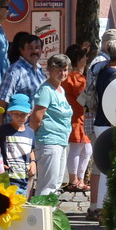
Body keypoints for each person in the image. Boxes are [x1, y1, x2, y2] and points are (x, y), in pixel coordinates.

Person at [86, 31, 116, 208]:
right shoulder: (115, 75)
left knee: (105, 169)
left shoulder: (103, 70)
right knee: (108, 170)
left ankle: (103, 207)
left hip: (101, 121)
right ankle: (105, 208)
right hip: (108, 123)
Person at [29, 53, 73, 197]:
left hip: (61, 141)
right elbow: (36, 118)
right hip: (48, 141)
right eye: (59, 69)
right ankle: (40, 216)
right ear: (50, 70)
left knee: (56, 184)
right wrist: (30, 142)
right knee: (47, 185)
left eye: (65, 69)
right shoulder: (46, 90)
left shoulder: (61, 90)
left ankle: (50, 215)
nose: (63, 73)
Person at [63, 44, 91, 193]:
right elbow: (84, 98)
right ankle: (74, 180)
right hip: (77, 117)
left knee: (86, 149)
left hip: (77, 116)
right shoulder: (76, 77)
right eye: (84, 56)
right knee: (77, 148)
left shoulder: (71, 76)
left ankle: (78, 179)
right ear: (79, 59)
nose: (87, 59)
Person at [0, 31, 45, 105]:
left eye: (37, 47)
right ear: (22, 50)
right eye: (30, 48)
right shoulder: (14, 72)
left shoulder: (39, 69)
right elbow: (1, 102)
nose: (34, 51)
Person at [0, 96, 33, 187]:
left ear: (29, 113)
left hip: (23, 179)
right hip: (7, 180)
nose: (19, 118)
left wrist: (33, 162)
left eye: (23, 114)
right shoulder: (3, 130)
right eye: (16, 114)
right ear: (10, 113)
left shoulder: (30, 132)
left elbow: (31, 149)